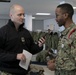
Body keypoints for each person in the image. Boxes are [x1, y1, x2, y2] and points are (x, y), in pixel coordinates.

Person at [0, 4, 45, 75]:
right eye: (19, 15)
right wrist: (15, 56)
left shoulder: (26, 32)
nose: (23, 17)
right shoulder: (3, 32)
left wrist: (39, 46)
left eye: (23, 15)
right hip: (8, 71)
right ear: (11, 15)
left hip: (25, 71)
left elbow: (31, 50)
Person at [47, 3, 76, 75]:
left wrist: (56, 65)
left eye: (57, 15)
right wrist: (55, 60)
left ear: (65, 15)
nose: (56, 19)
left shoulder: (74, 34)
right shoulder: (65, 34)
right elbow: (66, 55)